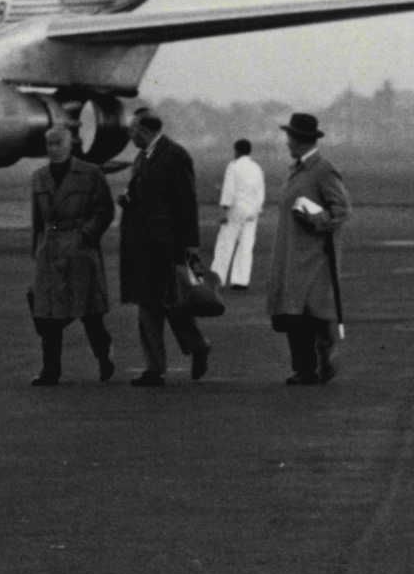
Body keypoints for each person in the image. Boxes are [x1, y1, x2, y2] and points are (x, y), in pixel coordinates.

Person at [116, 103, 209, 384]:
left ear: (145, 130)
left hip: (166, 248)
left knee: (171, 305)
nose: (130, 136)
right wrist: (129, 201)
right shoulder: (143, 157)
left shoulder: (175, 156)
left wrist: (190, 246)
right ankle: (154, 368)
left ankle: (198, 347)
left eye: (132, 130)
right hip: (141, 247)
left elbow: (187, 203)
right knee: (148, 307)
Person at [26, 117, 117, 386]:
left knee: (90, 313)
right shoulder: (39, 177)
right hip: (50, 250)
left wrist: (86, 235)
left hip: (80, 251)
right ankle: (50, 371)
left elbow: (105, 211)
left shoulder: (90, 174)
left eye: (59, 143)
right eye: (49, 144)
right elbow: (37, 220)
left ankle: (104, 356)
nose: (54, 148)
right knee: (48, 315)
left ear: (70, 144)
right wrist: (38, 249)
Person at [266, 111, 351, 386]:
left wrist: (316, 218)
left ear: (299, 140)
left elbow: (341, 210)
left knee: (310, 314)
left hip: (313, 257)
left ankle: (316, 363)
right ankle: (304, 369)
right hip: (292, 255)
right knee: (294, 314)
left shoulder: (322, 170)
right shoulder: (297, 170)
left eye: (289, 138)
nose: (287, 144)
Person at [212, 137, 266, 290]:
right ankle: (241, 281)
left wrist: (224, 209)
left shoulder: (233, 166)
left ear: (237, 151)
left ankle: (217, 278)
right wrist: (257, 209)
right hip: (251, 211)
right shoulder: (257, 168)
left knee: (225, 244)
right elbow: (260, 191)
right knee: (246, 246)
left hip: (235, 210)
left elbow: (229, 189)